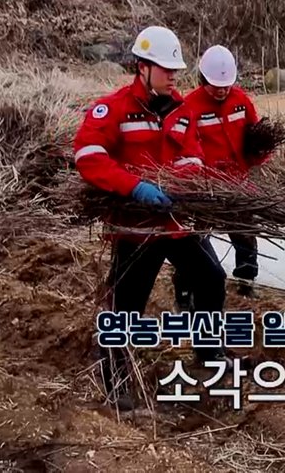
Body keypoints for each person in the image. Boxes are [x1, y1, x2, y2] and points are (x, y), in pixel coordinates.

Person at [72, 26, 229, 411]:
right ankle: (116, 378)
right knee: (126, 305)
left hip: (175, 222)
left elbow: (193, 155)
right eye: (165, 68)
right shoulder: (113, 109)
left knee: (211, 277)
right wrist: (135, 187)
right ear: (142, 67)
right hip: (137, 227)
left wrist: (184, 181)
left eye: (176, 68)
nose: (174, 75)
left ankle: (210, 352)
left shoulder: (181, 110)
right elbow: (88, 156)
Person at [171, 45, 268, 306]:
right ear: (203, 79)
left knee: (245, 235)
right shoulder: (189, 106)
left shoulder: (241, 101)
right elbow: (183, 147)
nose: (222, 90)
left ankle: (246, 284)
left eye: (226, 85)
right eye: (216, 85)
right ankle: (183, 291)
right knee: (195, 242)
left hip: (237, 183)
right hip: (204, 187)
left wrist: (260, 152)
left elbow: (253, 137)